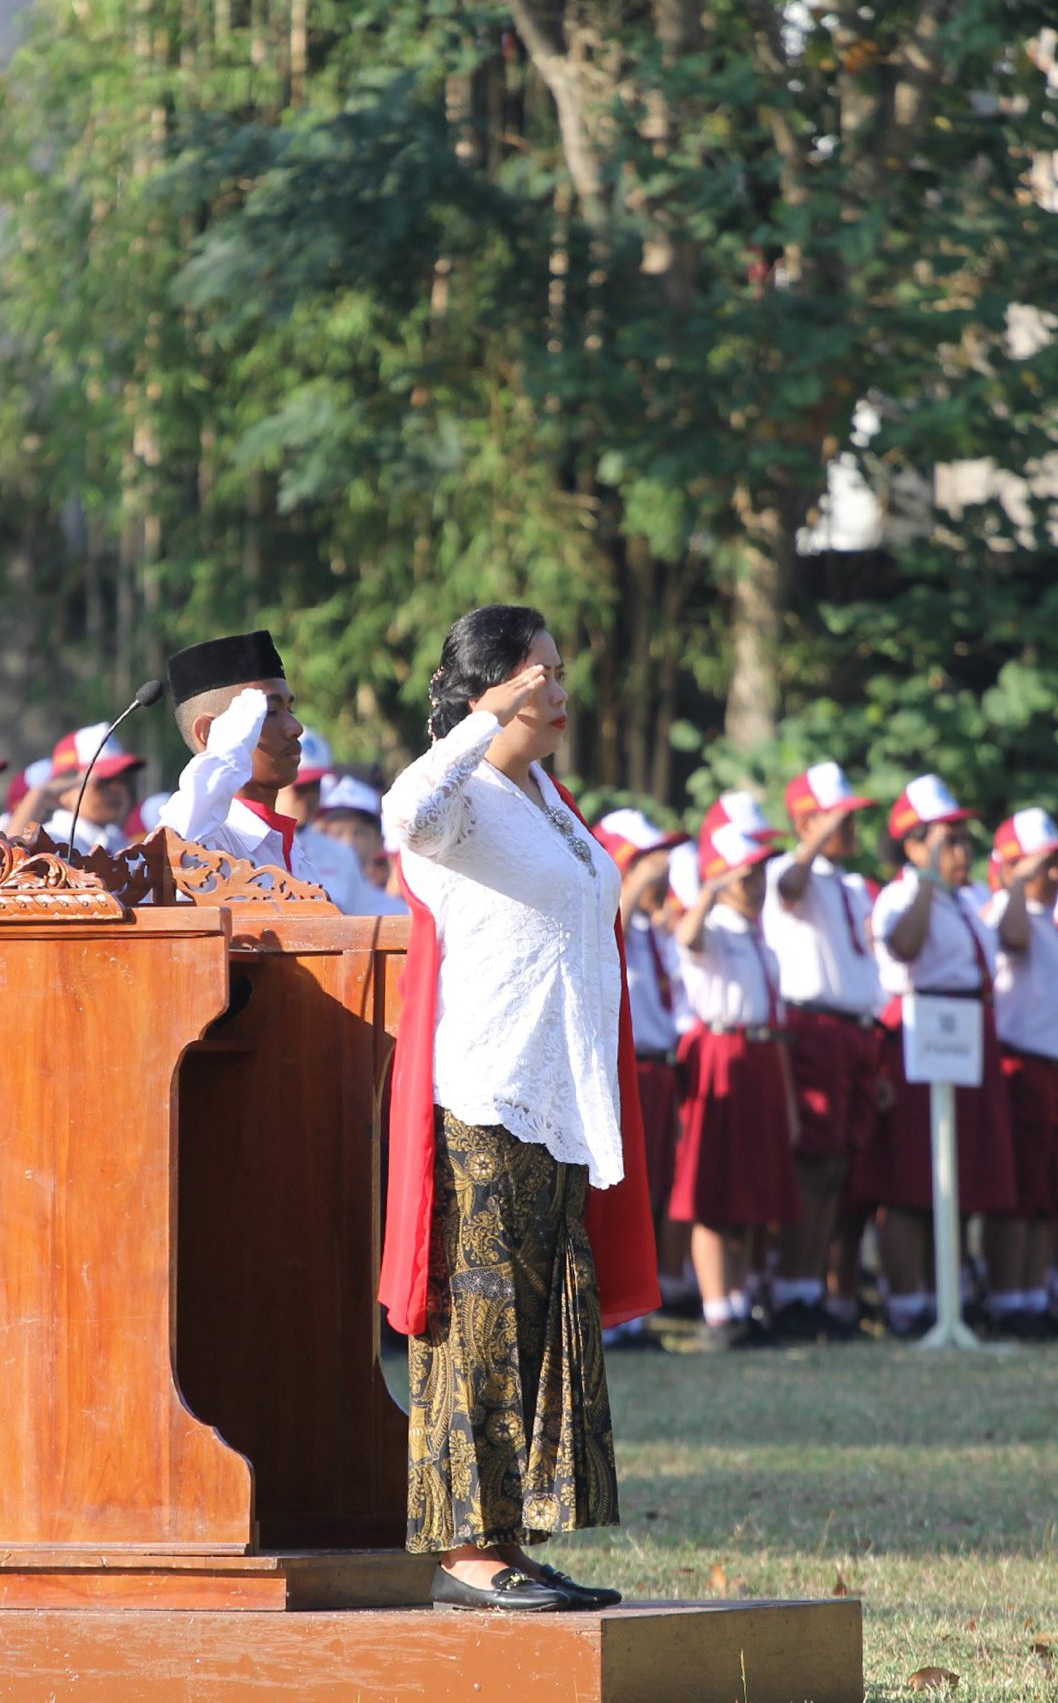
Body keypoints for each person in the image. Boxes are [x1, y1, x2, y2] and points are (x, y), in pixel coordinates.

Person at [377, 603, 655, 1614]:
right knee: (482, 1321)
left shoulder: (545, 796)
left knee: (540, 1320)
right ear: (493, 681)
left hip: (559, 1093)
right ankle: (463, 1546)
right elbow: (399, 814)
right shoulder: (460, 804)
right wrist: (479, 715)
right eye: (540, 667)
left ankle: (513, 1537)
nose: (558, 682)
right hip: (486, 1093)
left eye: (557, 664)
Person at [860, 776, 1020, 1340]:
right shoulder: (903, 895)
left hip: (967, 1030)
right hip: (920, 1030)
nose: (960, 850)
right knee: (911, 1179)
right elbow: (903, 947)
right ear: (914, 844)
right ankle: (909, 1301)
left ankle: (946, 1293)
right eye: (945, 839)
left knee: (959, 1172)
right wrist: (926, 877)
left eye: (960, 838)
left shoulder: (967, 899)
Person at [669, 800, 799, 1352]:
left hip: (764, 1058)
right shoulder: (716, 928)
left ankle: (743, 1301)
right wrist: (712, 888)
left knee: (753, 1192)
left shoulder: (758, 936)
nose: (759, 887)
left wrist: (789, 1102)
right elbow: (688, 939)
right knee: (716, 1192)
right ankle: (717, 1309)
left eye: (761, 876)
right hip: (724, 1054)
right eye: (748, 877)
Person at [760, 766, 880, 1344]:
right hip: (814, 1027)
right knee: (810, 1164)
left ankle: (814, 1285)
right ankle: (791, 1288)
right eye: (841, 816)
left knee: (837, 1168)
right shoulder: (790, 870)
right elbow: (787, 888)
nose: (852, 825)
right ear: (808, 821)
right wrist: (810, 838)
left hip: (854, 1030)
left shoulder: (851, 885)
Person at [984, 809, 1058, 1336]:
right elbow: (1011, 938)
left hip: (1055, 1070)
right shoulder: (1010, 914)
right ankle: (1009, 1297)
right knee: (1018, 1193)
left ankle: (1031, 1293)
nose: (1056, 875)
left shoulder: (1050, 923)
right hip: (1022, 1066)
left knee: (1044, 1195)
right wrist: (1016, 882)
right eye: (1045, 866)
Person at [593, 809, 690, 1342]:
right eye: (647, 860)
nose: (663, 871)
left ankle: (636, 1313)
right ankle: (609, 1316)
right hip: (618, 1065)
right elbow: (610, 935)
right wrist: (631, 886)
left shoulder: (655, 927)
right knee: (617, 1188)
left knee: (654, 1192)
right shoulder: (613, 914)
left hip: (659, 1069)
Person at [150, 630, 330, 886]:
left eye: (290, 709)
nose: (295, 727)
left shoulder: (287, 847)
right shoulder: (210, 841)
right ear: (210, 733)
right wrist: (223, 753)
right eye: (268, 712)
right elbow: (168, 854)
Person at [35, 726, 144, 858]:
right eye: (103, 781)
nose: (118, 788)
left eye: (123, 778)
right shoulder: (51, 842)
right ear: (63, 790)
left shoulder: (117, 840)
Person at [311, 776, 410, 916]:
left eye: (359, 833)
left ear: (379, 841)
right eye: (338, 833)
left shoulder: (396, 913)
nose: (348, 842)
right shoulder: (307, 900)